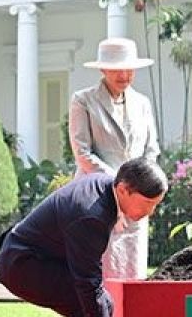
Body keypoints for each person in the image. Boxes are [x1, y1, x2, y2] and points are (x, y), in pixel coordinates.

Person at [0, 158, 168, 317]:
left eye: (156, 205)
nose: (150, 212)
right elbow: (88, 285)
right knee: (92, 306)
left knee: (94, 307)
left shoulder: (104, 187)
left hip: (28, 257)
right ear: (123, 190)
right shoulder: (92, 216)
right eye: (148, 203)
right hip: (24, 265)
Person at [68, 37, 160, 282]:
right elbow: (82, 152)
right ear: (102, 69)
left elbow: (151, 149)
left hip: (137, 201)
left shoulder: (142, 103)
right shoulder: (83, 100)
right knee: (102, 270)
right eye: (117, 68)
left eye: (129, 69)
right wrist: (120, 184)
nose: (124, 75)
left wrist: (144, 186)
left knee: (134, 271)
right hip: (99, 197)